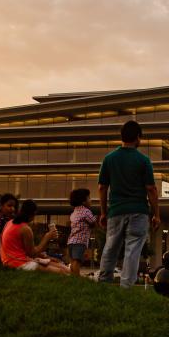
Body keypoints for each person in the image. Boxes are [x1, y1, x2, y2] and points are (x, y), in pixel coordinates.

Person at [97, 120, 159, 288]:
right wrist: (156, 215)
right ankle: (126, 286)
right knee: (132, 250)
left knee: (111, 247)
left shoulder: (109, 159)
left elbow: (102, 187)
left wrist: (103, 212)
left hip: (115, 211)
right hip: (139, 211)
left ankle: (104, 282)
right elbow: (151, 189)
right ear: (138, 137)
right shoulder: (143, 160)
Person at [0, 199, 70, 275]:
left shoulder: (10, 223)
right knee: (61, 272)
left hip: (11, 260)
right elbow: (32, 254)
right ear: (33, 214)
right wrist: (46, 238)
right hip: (17, 263)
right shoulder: (25, 229)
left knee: (62, 267)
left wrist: (46, 256)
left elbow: (27, 250)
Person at [65, 188, 96, 276]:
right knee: (77, 261)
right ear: (83, 201)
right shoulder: (86, 211)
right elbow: (93, 222)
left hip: (71, 241)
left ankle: (73, 277)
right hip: (80, 241)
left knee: (73, 261)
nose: (91, 200)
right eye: (89, 198)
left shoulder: (74, 212)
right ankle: (76, 279)